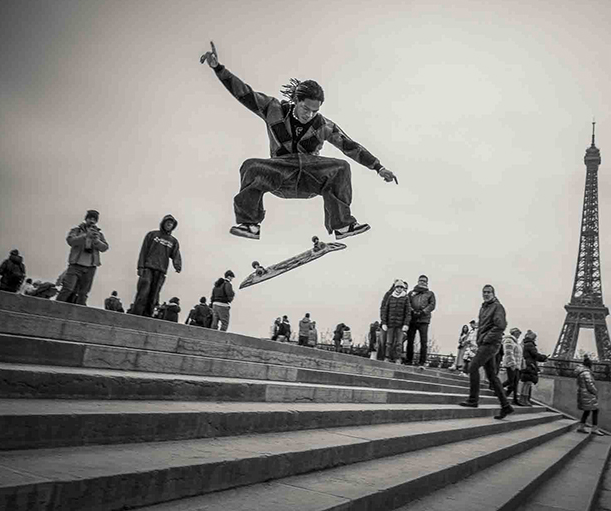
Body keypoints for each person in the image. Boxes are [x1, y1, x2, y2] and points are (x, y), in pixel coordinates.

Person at [200, 41, 398, 241]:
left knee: (341, 167)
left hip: (310, 178)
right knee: (251, 166)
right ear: (296, 101)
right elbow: (244, 93)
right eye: (305, 109)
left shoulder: (323, 126)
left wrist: (378, 167)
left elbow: (350, 146)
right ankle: (250, 224)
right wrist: (218, 68)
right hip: (280, 175)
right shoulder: (273, 109)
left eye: (314, 111)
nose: (309, 115)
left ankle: (343, 225)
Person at [458, 285, 514, 420]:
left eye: (489, 292)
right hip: (485, 343)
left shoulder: (497, 307)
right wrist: (480, 340)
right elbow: (483, 327)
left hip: (490, 344)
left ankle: (473, 400)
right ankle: (506, 405)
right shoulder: (484, 307)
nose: (486, 294)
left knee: (472, 367)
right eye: (484, 292)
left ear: (493, 293)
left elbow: (500, 326)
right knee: (492, 375)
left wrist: (485, 339)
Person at [128, 215, 182, 317]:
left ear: (173, 226)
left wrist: (177, 265)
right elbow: (144, 251)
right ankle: (136, 314)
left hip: (161, 271)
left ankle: (147, 316)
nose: (169, 224)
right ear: (163, 223)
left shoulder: (173, 241)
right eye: (167, 222)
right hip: (148, 268)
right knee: (143, 291)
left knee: (154, 295)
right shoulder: (152, 235)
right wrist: (140, 266)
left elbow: (176, 254)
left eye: (171, 223)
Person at [56, 210, 108, 304]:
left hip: (90, 267)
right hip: (75, 265)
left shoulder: (99, 234)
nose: (92, 221)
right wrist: (85, 236)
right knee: (68, 289)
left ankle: (78, 311)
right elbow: (71, 241)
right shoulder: (76, 230)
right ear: (86, 219)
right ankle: (55, 307)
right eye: (90, 218)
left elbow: (104, 248)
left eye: (94, 219)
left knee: (83, 293)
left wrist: (96, 240)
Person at [405, 275, 437, 368]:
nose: (422, 282)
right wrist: (412, 311)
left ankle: (422, 362)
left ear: (427, 283)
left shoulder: (430, 294)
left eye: (424, 281)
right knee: (410, 340)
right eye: (421, 280)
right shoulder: (411, 293)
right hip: (413, 319)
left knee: (423, 341)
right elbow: (407, 303)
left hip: (424, 320)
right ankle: (408, 360)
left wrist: (423, 312)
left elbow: (432, 305)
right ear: (418, 281)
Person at [381, 279, 412, 364]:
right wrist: (384, 322)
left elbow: (408, 312)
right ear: (395, 288)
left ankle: (398, 358)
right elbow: (385, 310)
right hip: (390, 324)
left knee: (399, 343)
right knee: (388, 342)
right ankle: (387, 357)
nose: (399, 289)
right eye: (398, 287)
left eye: (401, 287)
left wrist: (406, 324)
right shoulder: (390, 297)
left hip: (400, 325)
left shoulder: (405, 298)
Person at [575, 356, 605, 435]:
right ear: (589, 365)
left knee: (587, 410)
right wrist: (595, 392)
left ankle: (581, 426)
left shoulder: (581, 372)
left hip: (583, 393)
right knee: (595, 410)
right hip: (588, 394)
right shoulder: (586, 373)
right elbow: (590, 385)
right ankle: (594, 428)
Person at [517, 330, 548, 406]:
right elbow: (535, 354)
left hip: (526, 364)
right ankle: (524, 400)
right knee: (528, 383)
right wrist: (544, 358)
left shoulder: (524, 344)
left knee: (526, 383)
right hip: (530, 365)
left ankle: (523, 399)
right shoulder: (530, 345)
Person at [501, 328, 521, 405]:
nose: (519, 335)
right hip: (511, 364)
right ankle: (499, 390)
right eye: (518, 333)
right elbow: (508, 352)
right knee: (511, 381)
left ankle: (515, 399)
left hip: (517, 365)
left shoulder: (516, 342)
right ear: (514, 333)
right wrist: (512, 363)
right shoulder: (509, 340)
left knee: (515, 383)